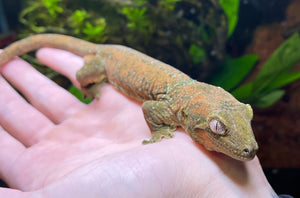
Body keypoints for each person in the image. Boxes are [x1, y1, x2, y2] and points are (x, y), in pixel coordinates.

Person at [0, 48, 286, 197]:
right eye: (217, 128)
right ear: (189, 117)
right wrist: (161, 129)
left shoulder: (191, 103)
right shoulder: (172, 109)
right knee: (88, 74)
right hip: (108, 59)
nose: (250, 147)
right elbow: (150, 108)